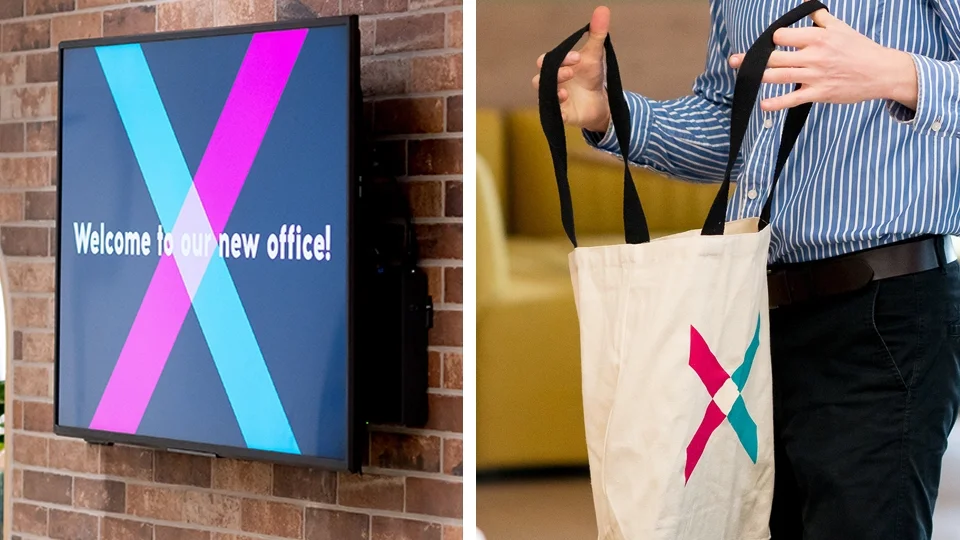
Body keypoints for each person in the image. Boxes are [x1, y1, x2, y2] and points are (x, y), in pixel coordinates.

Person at [533, 2, 960, 539]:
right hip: (751, 320)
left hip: (883, 317)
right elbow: (728, 121)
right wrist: (608, 112)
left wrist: (891, 73)